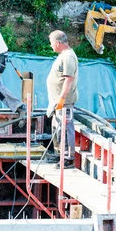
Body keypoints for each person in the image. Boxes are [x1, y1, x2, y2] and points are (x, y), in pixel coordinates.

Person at [45, 30, 78, 169]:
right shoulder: (63, 55)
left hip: (64, 101)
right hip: (56, 100)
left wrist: (62, 98)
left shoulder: (68, 57)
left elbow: (68, 79)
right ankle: (60, 154)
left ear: (58, 43)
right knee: (57, 128)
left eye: (52, 43)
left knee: (65, 128)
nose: (51, 46)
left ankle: (68, 158)